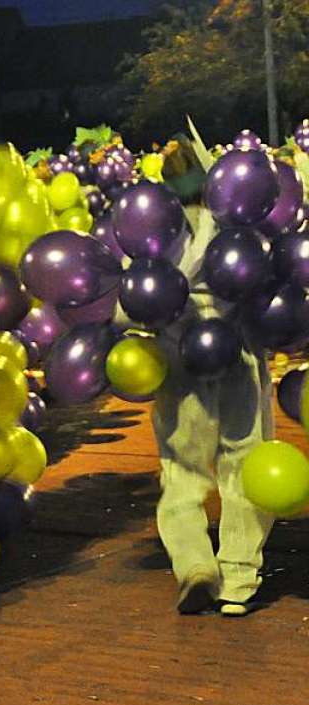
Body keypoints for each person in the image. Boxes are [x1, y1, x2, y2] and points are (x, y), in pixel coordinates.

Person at [144, 178, 274, 617]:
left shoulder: (155, 233)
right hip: (238, 350)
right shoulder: (246, 229)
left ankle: (195, 565)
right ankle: (238, 578)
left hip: (180, 357)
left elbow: (132, 303)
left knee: (182, 470)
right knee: (245, 461)